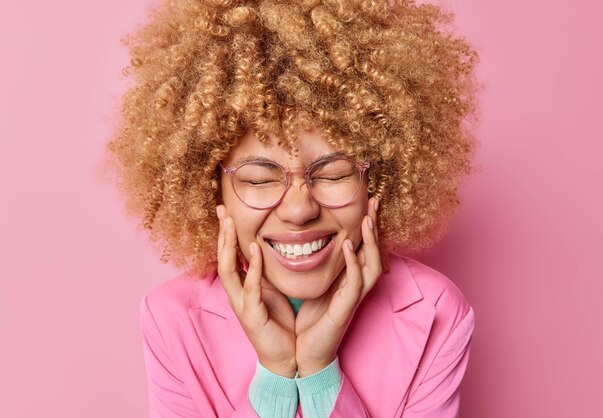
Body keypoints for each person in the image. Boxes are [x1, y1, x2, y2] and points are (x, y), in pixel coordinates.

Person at [108, 0, 479, 416]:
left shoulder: (436, 312)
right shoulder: (171, 319)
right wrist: (277, 377)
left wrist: (320, 373)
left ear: (379, 179)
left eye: (334, 173)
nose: (299, 209)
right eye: (260, 179)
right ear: (212, 192)